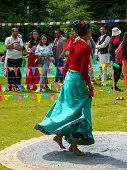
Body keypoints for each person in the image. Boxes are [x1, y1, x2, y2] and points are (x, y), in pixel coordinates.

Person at [35, 21, 95, 156]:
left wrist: (66, 79)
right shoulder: (85, 47)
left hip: (69, 78)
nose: (92, 33)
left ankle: (59, 135)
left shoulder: (73, 43)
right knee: (83, 112)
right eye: (91, 31)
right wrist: (90, 87)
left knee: (70, 110)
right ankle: (73, 145)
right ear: (86, 32)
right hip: (77, 80)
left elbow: (67, 64)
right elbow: (84, 71)